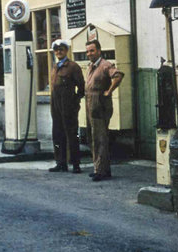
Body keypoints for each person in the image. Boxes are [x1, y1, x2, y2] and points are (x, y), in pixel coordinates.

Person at [84, 40, 124, 182]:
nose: (89, 54)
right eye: (87, 51)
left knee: (99, 138)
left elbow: (118, 76)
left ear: (99, 51)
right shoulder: (91, 67)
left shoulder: (105, 65)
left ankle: (100, 171)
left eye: (92, 50)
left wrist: (109, 91)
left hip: (100, 105)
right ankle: (102, 169)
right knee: (93, 137)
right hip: (90, 105)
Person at [48, 39, 85, 173]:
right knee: (57, 133)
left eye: (61, 49)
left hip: (68, 105)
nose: (59, 52)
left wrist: (74, 101)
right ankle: (60, 163)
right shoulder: (55, 67)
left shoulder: (73, 66)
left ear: (66, 50)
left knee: (71, 134)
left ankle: (75, 164)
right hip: (55, 105)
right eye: (56, 50)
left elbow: (81, 87)